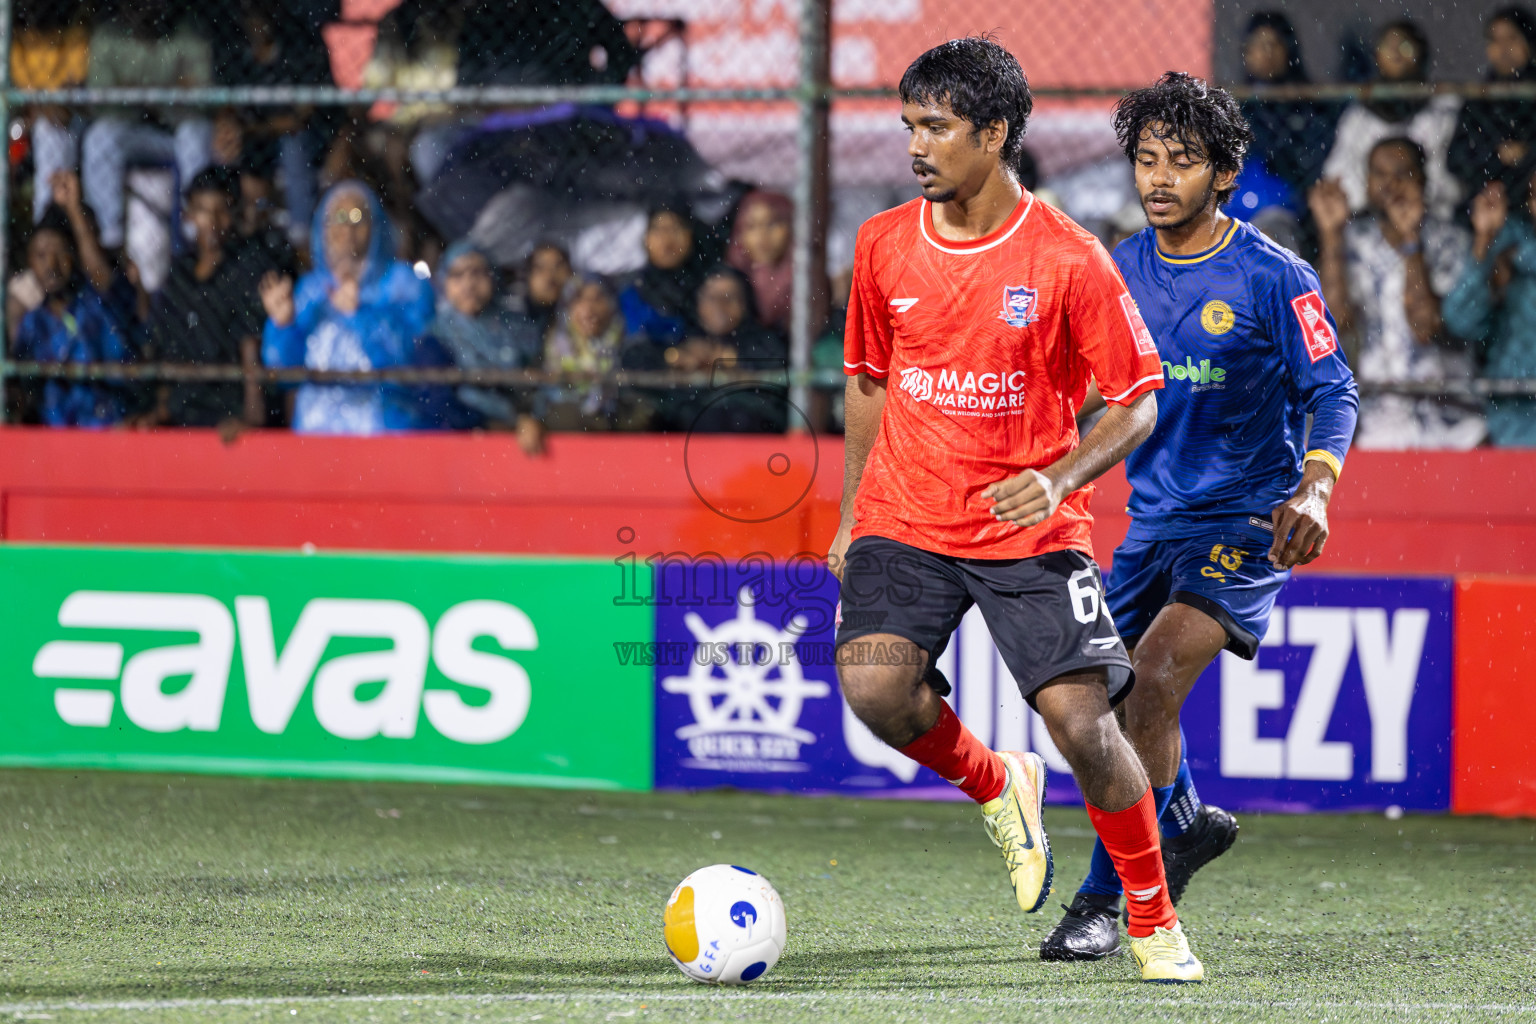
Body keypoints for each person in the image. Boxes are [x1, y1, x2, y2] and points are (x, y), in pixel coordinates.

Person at [828, 38, 1201, 983]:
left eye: (938, 127)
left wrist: (1062, 478)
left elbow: (1139, 397)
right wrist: (848, 511)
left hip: (1027, 526)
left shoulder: (1068, 257)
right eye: (910, 125)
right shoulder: (880, 244)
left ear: (994, 134)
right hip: (904, 511)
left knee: (1083, 725)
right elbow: (868, 383)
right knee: (874, 686)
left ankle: (1153, 922)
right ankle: (998, 784)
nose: (918, 146)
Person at [1041, 72, 1359, 962]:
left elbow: (1332, 388)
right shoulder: (1117, 273)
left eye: (1182, 162)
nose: (1160, 178)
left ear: (1225, 173)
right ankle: (1180, 823)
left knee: (1147, 679)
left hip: (1247, 524)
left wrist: (1319, 484)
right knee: (1078, 701)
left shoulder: (1272, 275)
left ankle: (1108, 898)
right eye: (1146, 160)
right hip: (1152, 527)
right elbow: (1081, 387)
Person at [1311, 139, 1484, 448]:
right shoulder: (1352, 241)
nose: (1391, 184)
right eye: (1380, 174)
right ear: (1366, 182)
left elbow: (1425, 328)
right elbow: (1332, 326)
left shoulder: (1451, 240)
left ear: (1423, 180)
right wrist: (1330, 234)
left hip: (1450, 420)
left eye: (1403, 173)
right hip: (1379, 423)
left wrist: (1410, 240)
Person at [259, 181, 440, 435]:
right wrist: (283, 326)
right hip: (316, 437)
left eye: (358, 217)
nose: (347, 228)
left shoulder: (405, 283)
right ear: (322, 227)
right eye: (338, 217)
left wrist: (360, 315)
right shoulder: (310, 289)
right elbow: (284, 376)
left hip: (386, 434)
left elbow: (413, 363)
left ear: (376, 224)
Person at [146, 168, 274, 434]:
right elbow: (162, 343)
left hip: (226, 414)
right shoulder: (179, 274)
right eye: (204, 210)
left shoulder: (247, 267)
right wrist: (158, 409)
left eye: (223, 210)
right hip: (181, 409)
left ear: (235, 214)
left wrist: (252, 421)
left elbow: (250, 346)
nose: (213, 221)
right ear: (189, 215)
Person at [80, 0, 214, 250]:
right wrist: (168, 93)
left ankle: (193, 231)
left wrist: (133, 92)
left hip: (175, 135)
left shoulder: (189, 35)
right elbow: (102, 105)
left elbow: (200, 101)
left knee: (195, 133)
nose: (144, 8)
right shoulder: (108, 36)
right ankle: (109, 237)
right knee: (100, 136)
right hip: (134, 133)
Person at [1319, 20, 1463, 222]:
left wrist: (1415, 201)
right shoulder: (1359, 116)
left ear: (1420, 53)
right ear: (1377, 56)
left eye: (1405, 46)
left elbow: (1445, 175)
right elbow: (1340, 171)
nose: (1396, 53)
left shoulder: (1443, 109)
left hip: (1430, 217)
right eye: (1388, 46)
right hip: (1370, 218)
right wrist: (1378, 199)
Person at [12, 207, 132, 427]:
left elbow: (104, 281)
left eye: (60, 253)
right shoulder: (32, 323)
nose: (51, 266)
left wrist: (73, 207)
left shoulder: (97, 307)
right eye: (41, 255)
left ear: (74, 255)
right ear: (30, 262)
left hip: (103, 433)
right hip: (50, 440)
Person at [427, 240, 545, 452]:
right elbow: (439, 403)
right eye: (457, 275)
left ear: (494, 277)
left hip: (527, 435)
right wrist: (490, 424)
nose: (469, 284)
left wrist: (528, 418)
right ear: (444, 281)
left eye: (478, 273)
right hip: (467, 442)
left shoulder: (519, 328)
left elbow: (538, 384)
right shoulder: (436, 337)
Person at [1443, 177, 1536, 446]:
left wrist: (1521, 256)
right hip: (1513, 414)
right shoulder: (1506, 242)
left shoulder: (1516, 252)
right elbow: (1460, 320)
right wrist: (1484, 243)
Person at [1237, 12, 1343, 208]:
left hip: (1298, 201)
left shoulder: (1310, 105)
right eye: (1259, 44)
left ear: (1289, 50)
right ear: (1247, 52)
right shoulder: (1237, 107)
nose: (1267, 52)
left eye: (1274, 43)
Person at [668, 267, 789, 433]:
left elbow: (775, 380)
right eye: (711, 298)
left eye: (729, 297)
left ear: (745, 303)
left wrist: (725, 358)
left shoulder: (764, 340)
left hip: (751, 436)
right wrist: (676, 356)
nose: (720, 305)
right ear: (698, 302)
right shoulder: (686, 337)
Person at [1449, 7, 1536, 201]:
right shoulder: (1479, 101)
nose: (1503, 48)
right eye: (1495, 40)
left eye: (1512, 38)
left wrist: (1528, 152)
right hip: (1489, 205)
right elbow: (1456, 159)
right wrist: (1495, 154)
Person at [543, 275, 650, 431]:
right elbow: (540, 396)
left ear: (612, 305)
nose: (589, 308)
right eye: (579, 298)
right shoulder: (552, 344)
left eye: (598, 299)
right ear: (567, 306)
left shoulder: (630, 343)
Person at [618, 206, 706, 345]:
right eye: (658, 230)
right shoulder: (629, 291)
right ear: (646, 239)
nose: (667, 239)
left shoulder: (712, 286)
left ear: (690, 235)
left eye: (675, 228)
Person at [727, 191, 794, 333]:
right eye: (751, 226)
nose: (762, 236)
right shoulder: (731, 280)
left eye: (772, 223)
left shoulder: (814, 277)